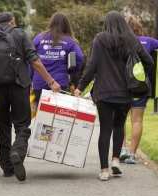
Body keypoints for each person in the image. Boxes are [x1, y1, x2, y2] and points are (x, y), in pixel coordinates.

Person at [0, 11, 61, 182]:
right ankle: (17, 151)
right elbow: (34, 60)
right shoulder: (20, 33)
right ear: (12, 21)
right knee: (22, 124)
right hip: (19, 85)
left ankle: (7, 167)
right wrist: (51, 82)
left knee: (3, 125)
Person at [74, 11, 154, 181]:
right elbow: (149, 61)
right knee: (119, 125)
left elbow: (92, 66)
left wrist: (80, 87)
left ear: (107, 23)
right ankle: (116, 160)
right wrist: (136, 75)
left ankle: (104, 170)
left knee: (105, 129)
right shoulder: (132, 39)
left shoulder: (100, 39)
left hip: (104, 93)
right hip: (125, 93)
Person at [119, 16, 158, 164]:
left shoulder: (121, 41)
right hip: (141, 85)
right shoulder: (149, 41)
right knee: (137, 120)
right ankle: (133, 154)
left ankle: (122, 149)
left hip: (122, 85)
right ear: (139, 28)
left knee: (120, 119)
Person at [28, 12, 84, 102]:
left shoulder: (39, 38)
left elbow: (30, 60)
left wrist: (29, 80)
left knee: (42, 113)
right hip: (60, 83)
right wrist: (72, 71)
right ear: (66, 25)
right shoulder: (69, 40)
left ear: (51, 23)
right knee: (57, 114)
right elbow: (79, 57)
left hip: (40, 83)